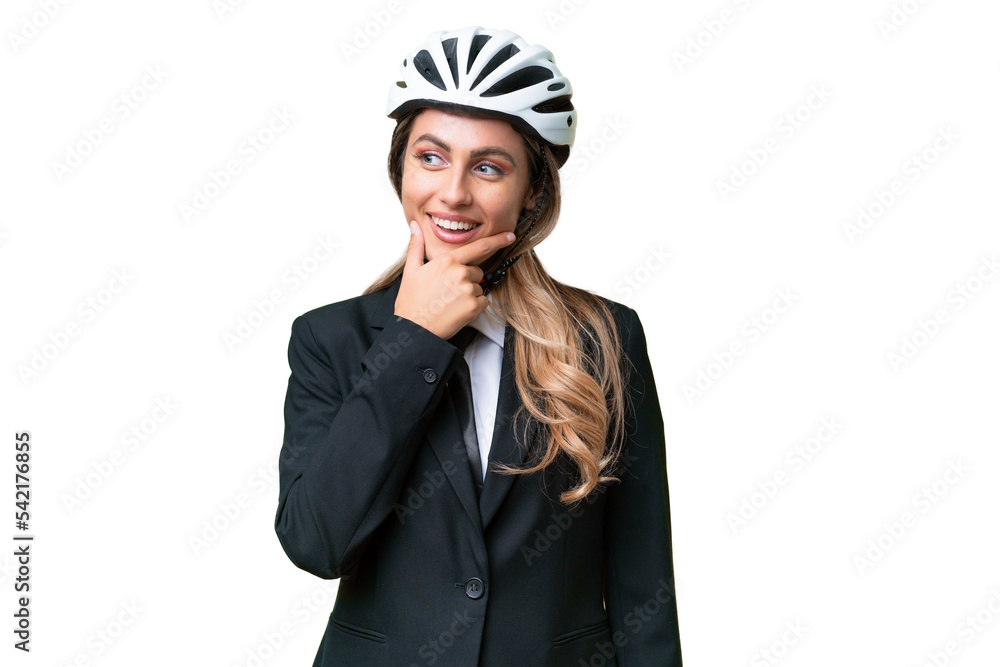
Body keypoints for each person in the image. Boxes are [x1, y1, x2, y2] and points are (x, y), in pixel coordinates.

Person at [274, 26, 682, 666]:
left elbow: (642, 584)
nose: (454, 192)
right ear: (400, 169)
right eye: (431, 158)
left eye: (489, 167)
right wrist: (413, 340)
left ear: (533, 191)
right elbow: (315, 543)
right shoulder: (329, 339)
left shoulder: (604, 337)